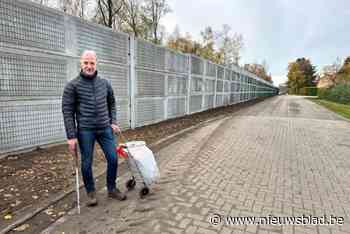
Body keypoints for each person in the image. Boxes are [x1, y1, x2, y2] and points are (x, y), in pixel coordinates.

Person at [62, 50, 126, 206]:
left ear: (96, 63)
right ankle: (91, 192)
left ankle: (111, 188)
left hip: (105, 128)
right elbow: (67, 111)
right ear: (81, 63)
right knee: (86, 163)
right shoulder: (72, 86)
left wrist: (113, 121)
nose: (89, 66)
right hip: (85, 130)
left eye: (92, 63)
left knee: (113, 158)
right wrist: (71, 136)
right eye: (86, 63)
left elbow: (112, 103)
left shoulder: (105, 83)